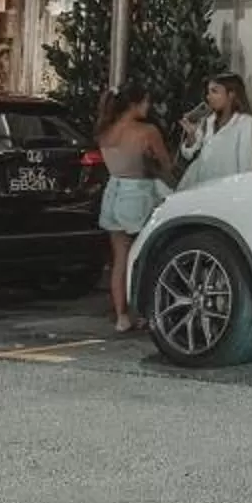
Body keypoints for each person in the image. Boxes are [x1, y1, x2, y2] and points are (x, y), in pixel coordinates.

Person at [92, 86, 173, 332]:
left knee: (120, 259)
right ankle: (144, 312)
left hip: (113, 191)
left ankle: (121, 316)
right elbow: (166, 166)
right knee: (146, 254)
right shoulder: (147, 131)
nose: (148, 108)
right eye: (146, 102)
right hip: (138, 194)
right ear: (135, 104)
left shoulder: (105, 131)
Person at [176, 74, 252, 192]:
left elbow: (247, 165)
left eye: (214, 91)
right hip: (201, 185)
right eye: (208, 92)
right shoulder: (207, 121)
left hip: (227, 190)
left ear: (231, 95)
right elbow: (188, 153)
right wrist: (191, 134)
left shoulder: (246, 124)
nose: (209, 97)